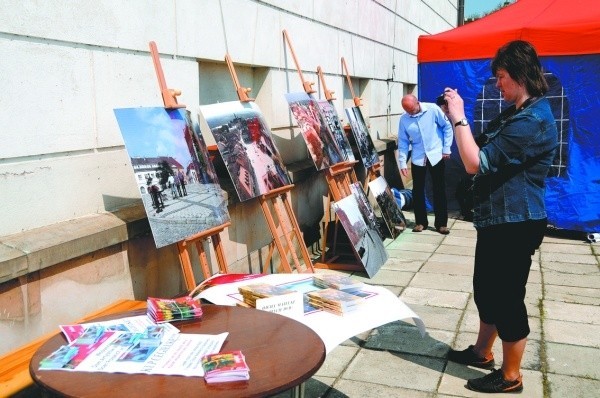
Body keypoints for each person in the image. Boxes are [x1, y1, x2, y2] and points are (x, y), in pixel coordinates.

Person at [442, 40, 558, 394]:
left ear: (521, 75)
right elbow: (476, 149)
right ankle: (482, 352)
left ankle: (511, 377)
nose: (498, 84)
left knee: (507, 298)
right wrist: (456, 127)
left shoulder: (534, 120)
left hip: (516, 222)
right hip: (497, 219)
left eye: (502, 77)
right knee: (486, 290)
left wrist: (459, 115)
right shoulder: (515, 113)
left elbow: (477, 162)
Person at [398, 94, 453, 234]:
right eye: (407, 111)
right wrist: (402, 162)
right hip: (418, 156)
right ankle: (420, 222)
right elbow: (403, 141)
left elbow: (447, 127)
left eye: (412, 109)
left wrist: (446, 148)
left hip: (436, 154)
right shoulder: (404, 120)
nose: (410, 113)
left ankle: (441, 224)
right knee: (417, 190)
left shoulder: (433, 109)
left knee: (439, 188)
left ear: (417, 102)